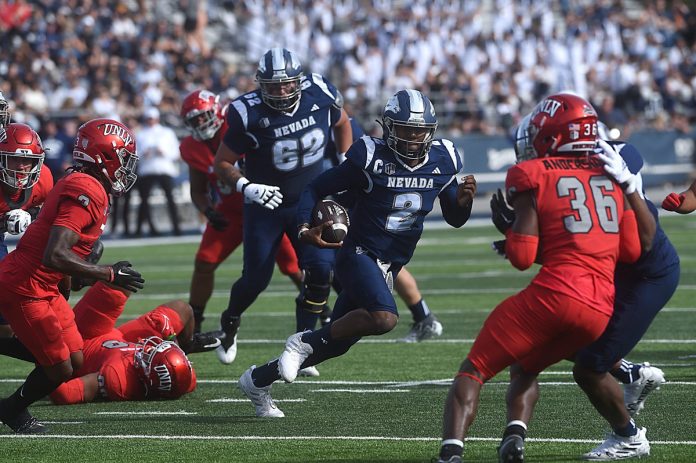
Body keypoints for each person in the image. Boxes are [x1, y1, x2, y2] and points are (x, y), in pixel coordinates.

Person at [237, 89, 476, 418]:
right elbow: (315, 187)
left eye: (418, 132)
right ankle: (300, 341)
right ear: (389, 128)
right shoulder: (370, 155)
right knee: (384, 318)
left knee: (337, 342)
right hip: (358, 252)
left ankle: (257, 380)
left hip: (390, 263)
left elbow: (455, 218)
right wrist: (306, 227)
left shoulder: (443, 158)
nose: (411, 139)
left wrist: (463, 202)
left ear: (431, 133)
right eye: (404, 130)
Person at [436, 93, 649, 463]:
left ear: (552, 136)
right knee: (526, 365)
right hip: (600, 308)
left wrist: (513, 229)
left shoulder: (530, 173)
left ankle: (450, 454)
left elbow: (521, 258)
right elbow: (630, 252)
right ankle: (513, 441)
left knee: (474, 370)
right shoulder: (610, 175)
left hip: (555, 295)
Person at [498, 114, 677, 461]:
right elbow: (574, 248)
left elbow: (630, 157)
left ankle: (629, 436)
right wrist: (518, 240)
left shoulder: (599, 163)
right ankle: (631, 372)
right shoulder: (569, 172)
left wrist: (618, 173)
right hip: (614, 269)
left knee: (589, 367)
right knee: (561, 334)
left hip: (644, 272)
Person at [0, 118, 144, 434]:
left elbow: (54, 250)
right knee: (59, 366)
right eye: (123, 159)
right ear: (105, 157)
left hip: (45, 284)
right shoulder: (87, 189)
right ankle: (11, 410)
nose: (126, 167)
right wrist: (107, 273)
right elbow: (55, 254)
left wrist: (73, 280)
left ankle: (10, 406)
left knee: (76, 359)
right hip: (26, 285)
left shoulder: (83, 183)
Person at [213, 47, 353, 365]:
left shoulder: (320, 93)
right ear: (260, 85)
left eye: (287, 84)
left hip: (310, 198)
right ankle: (230, 322)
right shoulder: (247, 112)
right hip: (267, 203)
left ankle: (301, 345)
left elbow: (343, 122)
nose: (280, 91)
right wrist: (247, 185)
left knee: (320, 269)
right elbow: (222, 163)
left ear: (299, 81)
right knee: (255, 279)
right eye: (273, 85)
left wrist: (345, 161)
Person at [179, 89, 303, 333]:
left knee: (294, 268)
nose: (200, 124)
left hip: (265, 208)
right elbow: (198, 190)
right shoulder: (192, 147)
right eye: (194, 121)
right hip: (231, 212)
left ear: (216, 111)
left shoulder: (239, 127)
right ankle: (195, 322)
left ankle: (324, 313)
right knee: (204, 262)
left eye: (203, 117)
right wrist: (208, 209)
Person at [326, 116, 443, 342]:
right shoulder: (322, 115)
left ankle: (421, 315)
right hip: (349, 199)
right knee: (376, 262)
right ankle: (423, 315)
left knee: (371, 259)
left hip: (362, 203)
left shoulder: (342, 124)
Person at [0, 123, 53, 337]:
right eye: (15, 158)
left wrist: (31, 215)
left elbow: (52, 214)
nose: (22, 166)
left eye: (28, 160)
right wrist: (4, 221)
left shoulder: (44, 179)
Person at [135, 107, 182, 236]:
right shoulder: (140, 134)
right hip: (147, 170)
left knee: (170, 199)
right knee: (144, 201)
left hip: (164, 168)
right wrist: (144, 154)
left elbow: (175, 153)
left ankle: (176, 228)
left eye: (153, 118)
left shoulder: (167, 132)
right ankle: (144, 229)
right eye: (149, 119)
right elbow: (135, 155)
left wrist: (164, 152)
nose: (151, 121)